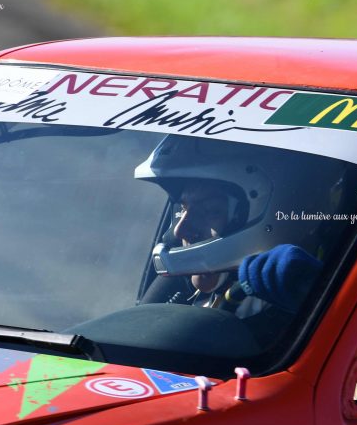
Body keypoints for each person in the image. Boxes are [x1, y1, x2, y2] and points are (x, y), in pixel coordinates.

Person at [133, 135, 336, 323]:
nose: (180, 231)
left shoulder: (317, 311)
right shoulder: (172, 288)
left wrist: (311, 293)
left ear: (273, 209)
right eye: (183, 208)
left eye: (210, 211)